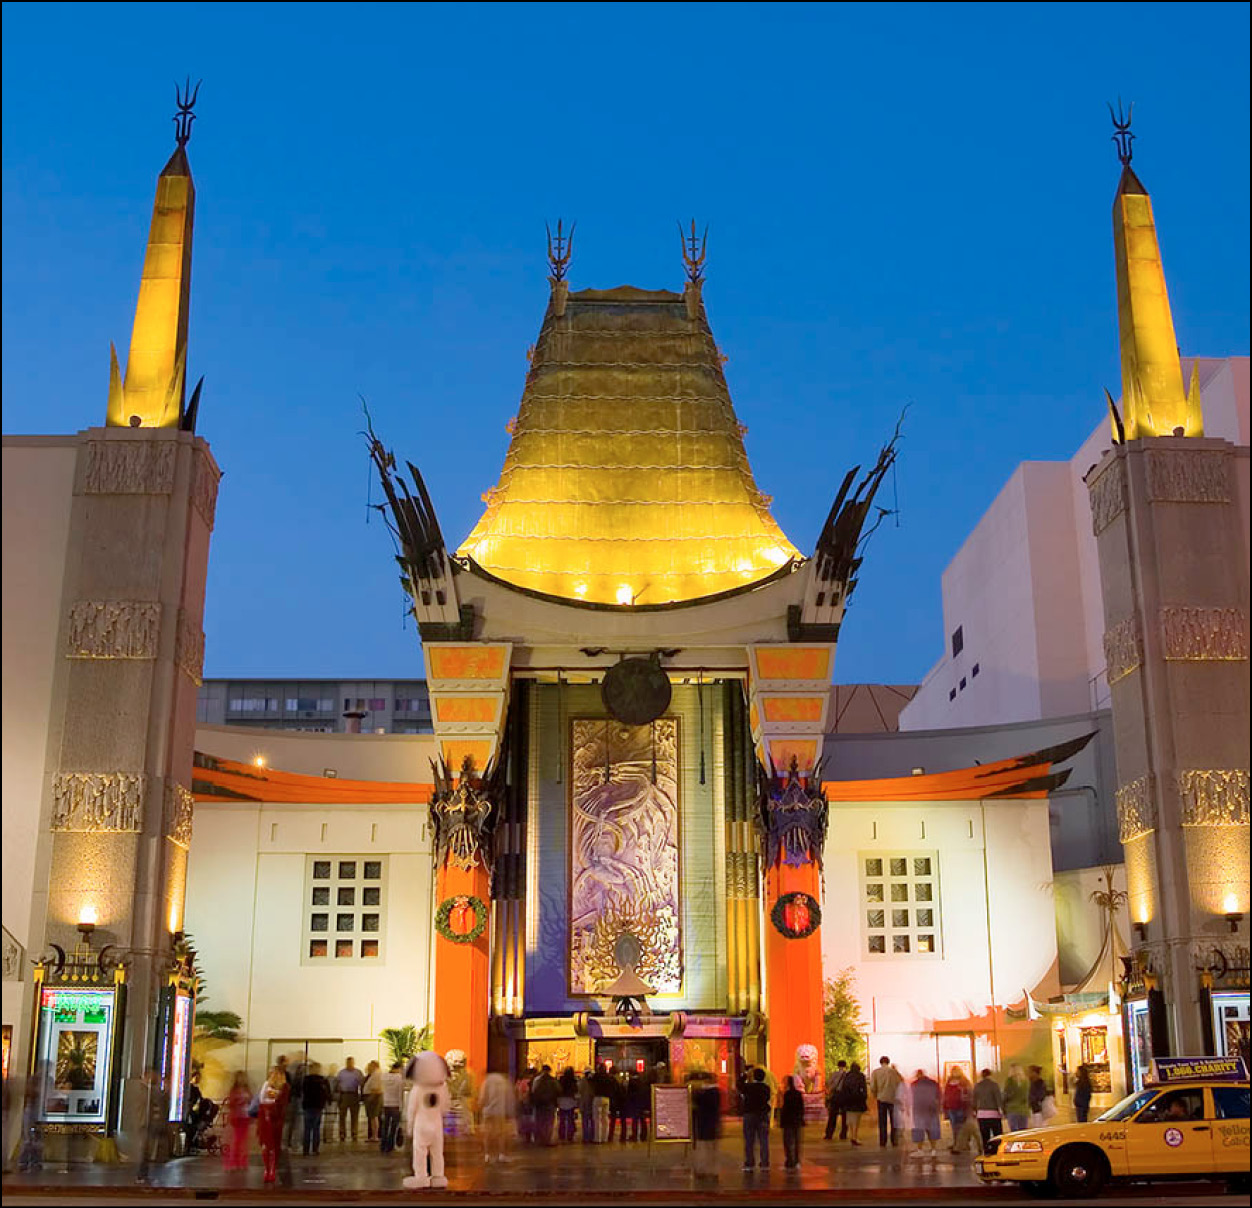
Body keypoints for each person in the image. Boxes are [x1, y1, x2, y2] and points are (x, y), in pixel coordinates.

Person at [257, 1066, 289, 1184]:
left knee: (275, 1145)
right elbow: (261, 1099)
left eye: (276, 1073)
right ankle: (267, 1169)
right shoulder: (266, 1084)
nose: (274, 1075)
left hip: (276, 1119)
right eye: (272, 1073)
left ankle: (273, 1170)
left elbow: (282, 1102)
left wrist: (273, 1101)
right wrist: (271, 1102)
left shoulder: (284, 1087)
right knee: (266, 1145)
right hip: (265, 1117)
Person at [478, 1069, 516, 1162]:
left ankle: (487, 1155)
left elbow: (482, 1098)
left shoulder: (487, 1081)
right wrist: (510, 1112)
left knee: (487, 1134)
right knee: (501, 1133)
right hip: (499, 1111)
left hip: (488, 1111)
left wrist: (480, 1107)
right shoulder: (504, 1081)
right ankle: (501, 1154)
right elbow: (509, 1098)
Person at [691, 1071, 721, 1180]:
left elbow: (697, 1103)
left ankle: (703, 1170)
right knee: (712, 1149)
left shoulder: (705, 1093)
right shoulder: (715, 1092)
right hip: (712, 1124)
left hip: (703, 1124)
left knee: (703, 1148)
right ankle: (713, 1171)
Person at [740, 1067, 772, 1171]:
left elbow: (738, 1085)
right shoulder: (766, 1088)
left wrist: (745, 1075)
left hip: (750, 1115)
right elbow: (767, 1098)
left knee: (749, 1140)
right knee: (763, 1140)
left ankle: (749, 1163)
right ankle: (765, 1163)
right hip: (762, 1114)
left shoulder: (749, 1087)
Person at [869, 1056, 903, 1147]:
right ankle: (894, 1140)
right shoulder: (894, 1072)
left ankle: (883, 1141)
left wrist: (875, 1094)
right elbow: (900, 1083)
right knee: (894, 1120)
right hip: (893, 1099)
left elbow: (872, 1086)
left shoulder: (876, 1072)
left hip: (881, 1098)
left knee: (882, 1121)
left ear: (880, 1062)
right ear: (888, 1062)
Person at [223, 1070, 252, 1171]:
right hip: (237, 1116)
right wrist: (238, 1102)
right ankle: (233, 1162)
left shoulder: (247, 1090)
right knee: (237, 1140)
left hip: (245, 1116)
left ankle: (242, 1162)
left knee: (243, 1141)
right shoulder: (234, 1091)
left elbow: (251, 1101)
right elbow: (231, 1103)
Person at [300, 1061, 330, 1156]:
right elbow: (327, 1093)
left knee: (307, 1128)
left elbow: (302, 1092)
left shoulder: (306, 1080)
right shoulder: (322, 1080)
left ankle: (306, 1149)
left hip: (308, 1106)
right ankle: (315, 1149)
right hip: (318, 1106)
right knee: (316, 1128)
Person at [909, 1069, 941, 1158]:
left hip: (919, 1110)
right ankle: (933, 1150)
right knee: (932, 1130)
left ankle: (920, 1150)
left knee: (919, 1130)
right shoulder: (933, 1083)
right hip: (932, 1109)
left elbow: (910, 1097)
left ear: (917, 1075)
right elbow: (939, 1095)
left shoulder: (914, 1085)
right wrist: (938, 1107)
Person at [335, 1056, 365, 1142]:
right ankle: (342, 1133)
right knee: (342, 1115)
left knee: (354, 1115)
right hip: (344, 1095)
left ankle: (354, 1133)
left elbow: (362, 1083)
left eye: (351, 1062)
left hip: (354, 1094)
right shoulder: (341, 1073)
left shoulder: (358, 1072)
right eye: (348, 1062)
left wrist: (361, 1096)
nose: (350, 1064)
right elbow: (337, 1083)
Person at [972, 1069, 1004, 1152]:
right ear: (990, 1075)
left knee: (985, 1136)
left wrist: (974, 1110)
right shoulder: (994, 1085)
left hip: (981, 1114)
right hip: (994, 1114)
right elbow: (998, 1099)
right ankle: (996, 1150)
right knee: (997, 1135)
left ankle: (986, 1150)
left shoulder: (977, 1086)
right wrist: (1001, 1110)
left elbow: (974, 1100)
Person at [942, 1067, 971, 1153]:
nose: (954, 1073)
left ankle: (963, 1144)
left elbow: (969, 1093)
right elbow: (945, 1095)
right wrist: (945, 1107)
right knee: (954, 1127)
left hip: (961, 1107)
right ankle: (956, 1143)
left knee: (961, 1127)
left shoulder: (964, 1082)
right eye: (953, 1071)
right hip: (951, 1108)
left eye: (956, 1071)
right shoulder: (948, 1082)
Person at [780, 1074, 806, 1170]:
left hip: (788, 1120)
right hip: (797, 1120)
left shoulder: (787, 1094)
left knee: (788, 1141)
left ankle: (789, 1160)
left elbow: (785, 1108)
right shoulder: (798, 1094)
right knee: (797, 1141)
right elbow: (801, 1108)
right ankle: (796, 1160)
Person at [379, 1061, 405, 1154]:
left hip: (386, 1103)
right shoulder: (399, 1078)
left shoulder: (384, 1076)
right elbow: (400, 1093)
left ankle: (383, 1145)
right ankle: (390, 1146)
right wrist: (401, 1107)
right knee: (394, 1126)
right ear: (399, 1068)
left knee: (385, 1126)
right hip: (395, 1105)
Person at [530, 1064, 558, 1146]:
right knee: (549, 1122)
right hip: (550, 1103)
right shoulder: (553, 1080)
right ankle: (547, 1139)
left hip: (539, 1104)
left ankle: (540, 1138)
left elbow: (533, 1091)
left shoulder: (537, 1079)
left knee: (540, 1121)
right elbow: (558, 1090)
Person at [842, 1061, 868, 1146]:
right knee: (856, 1120)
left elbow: (844, 1088)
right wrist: (864, 1098)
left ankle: (851, 1135)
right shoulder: (861, 1076)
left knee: (850, 1119)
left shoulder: (847, 1076)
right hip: (858, 1101)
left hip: (848, 1101)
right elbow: (864, 1089)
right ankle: (854, 1136)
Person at [282, 1060, 304, 1152]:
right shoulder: (291, 1077)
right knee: (292, 1123)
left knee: (292, 1123)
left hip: (293, 1100)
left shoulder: (292, 1077)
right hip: (293, 1101)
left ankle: (288, 1143)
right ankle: (289, 1143)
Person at [824, 1059, 849, 1141]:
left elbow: (829, 1083)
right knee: (845, 1116)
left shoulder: (835, 1074)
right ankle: (843, 1134)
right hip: (844, 1097)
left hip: (836, 1096)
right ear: (845, 1066)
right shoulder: (847, 1075)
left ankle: (829, 1134)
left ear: (838, 1066)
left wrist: (830, 1089)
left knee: (832, 1115)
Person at [1002, 1064, 1029, 1133]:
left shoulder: (1009, 1081)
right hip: (1023, 1109)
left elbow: (1006, 1095)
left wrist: (1003, 1107)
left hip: (1012, 1109)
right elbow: (1027, 1095)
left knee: (1014, 1131)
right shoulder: (1025, 1081)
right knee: (1024, 1131)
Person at [591, 1065, 614, 1143]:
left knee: (597, 1119)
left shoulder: (596, 1076)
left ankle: (598, 1138)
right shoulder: (608, 1077)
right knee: (605, 1118)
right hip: (607, 1098)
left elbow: (591, 1083)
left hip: (597, 1097)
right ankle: (605, 1138)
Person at [362, 1060, 383, 1142]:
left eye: (370, 1065)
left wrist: (371, 1097)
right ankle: (373, 1135)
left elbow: (376, 1088)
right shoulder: (374, 1074)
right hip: (372, 1096)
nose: (369, 1067)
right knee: (372, 1117)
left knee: (374, 1117)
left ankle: (375, 1135)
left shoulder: (377, 1074)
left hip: (374, 1097)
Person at [557, 1068, 578, 1142]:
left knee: (562, 1120)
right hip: (571, 1101)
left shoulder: (561, 1080)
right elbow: (576, 1090)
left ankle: (562, 1135)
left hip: (562, 1101)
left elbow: (558, 1090)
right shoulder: (574, 1081)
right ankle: (570, 1135)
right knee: (570, 1119)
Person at [515, 1067, 535, 1145]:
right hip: (527, 1102)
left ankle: (524, 1132)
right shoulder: (529, 1082)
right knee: (529, 1118)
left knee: (523, 1118)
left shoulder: (520, 1082)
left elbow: (517, 1091)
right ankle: (528, 1133)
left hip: (521, 1102)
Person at [577, 1069, 595, 1143]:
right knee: (592, 1120)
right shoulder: (593, 1082)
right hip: (592, 1103)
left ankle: (585, 1137)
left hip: (584, 1103)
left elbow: (579, 1091)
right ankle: (592, 1135)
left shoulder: (582, 1082)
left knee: (585, 1121)